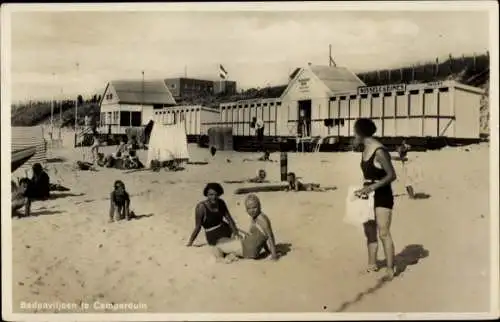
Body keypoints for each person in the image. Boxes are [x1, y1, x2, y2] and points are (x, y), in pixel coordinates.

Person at [352, 118, 397, 280]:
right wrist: (363, 190)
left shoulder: (379, 151)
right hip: (367, 195)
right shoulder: (365, 149)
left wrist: (371, 187)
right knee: (369, 232)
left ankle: (390, 269)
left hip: (382, 194)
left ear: (360, 133)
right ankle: (372, 264)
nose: (353, 135)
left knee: (383, 232)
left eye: (354, 132)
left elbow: (392, 175)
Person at [212, 194, 278, 262]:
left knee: (217, 246)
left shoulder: (261, 219)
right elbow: (263, 236)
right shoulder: (257, 217)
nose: (252, 210)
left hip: (245, 248)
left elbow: (270, 237)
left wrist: (274, 255)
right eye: (249, 208)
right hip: (249, 248)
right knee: (224, 239)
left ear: (260, 206)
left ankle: (221, 260)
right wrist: (267, 251)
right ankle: (232, 255)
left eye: (254, 207)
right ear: (246, 209)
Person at [186, 183, 240, 247]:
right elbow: (198, 227)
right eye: (211, 195)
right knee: (231, 244)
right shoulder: (201, 207)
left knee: (241, 240)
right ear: (206, 194)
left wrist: (236, 233)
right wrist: (190, 242)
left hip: (226, 229)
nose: (214, 197)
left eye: (216, 195)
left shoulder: (221, 203)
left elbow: (229, 220)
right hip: (213, 235)